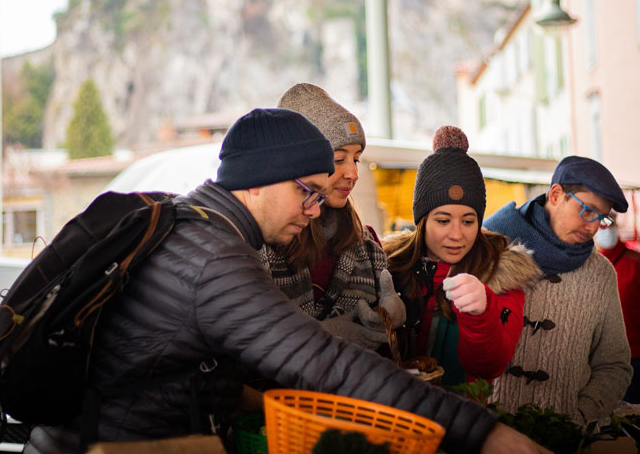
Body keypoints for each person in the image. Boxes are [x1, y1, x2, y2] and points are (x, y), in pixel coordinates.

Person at [24, 108, 548, 454]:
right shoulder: (212, 256)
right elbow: (324, 362)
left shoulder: (196, 224)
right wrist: (486, 434)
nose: (315, 208)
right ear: (260, 181)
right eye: (308, 191)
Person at [383, 125, 539, 388]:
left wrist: (481, 313)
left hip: (463, 419)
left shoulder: (501, 274)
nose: (456, 235)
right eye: (443, 220)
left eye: (468, 221)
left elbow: (491, 366)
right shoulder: (388, 265)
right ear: (421, 221)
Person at [484, 155, 633, 424]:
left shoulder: (600, 274)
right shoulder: (490, 251)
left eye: (602, 218)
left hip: (564, 438)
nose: (593, 227)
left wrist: (581, 416)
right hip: (488, 430)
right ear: (555, 195)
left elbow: (615, 365)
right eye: (587, 210)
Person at [256, 82, 403, 351]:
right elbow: (251, 344)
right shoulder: (258, 247)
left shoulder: (368, 246)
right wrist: (332, 333)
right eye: (338, 160)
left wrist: (392, 316)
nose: (353, 174)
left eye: (356, 159)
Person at [594, 216, 640, 403]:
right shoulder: (589, 265)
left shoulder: (635, 262)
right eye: (601, 225)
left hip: (635, 355)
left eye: (609, 224)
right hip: (598, 358)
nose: (605, 230)